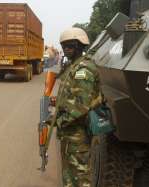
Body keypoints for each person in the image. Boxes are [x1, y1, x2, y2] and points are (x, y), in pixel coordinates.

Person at [52, 27, 102, 187]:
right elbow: (71, 94)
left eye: (70, 46)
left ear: (80, 46)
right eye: (64, 46)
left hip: (77, 133)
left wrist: (58, 121)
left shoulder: (83, 69)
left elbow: (81, 106)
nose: (66, 49)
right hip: (70, 133)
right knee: (69, 174)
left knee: (80, 175)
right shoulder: (73, 66)